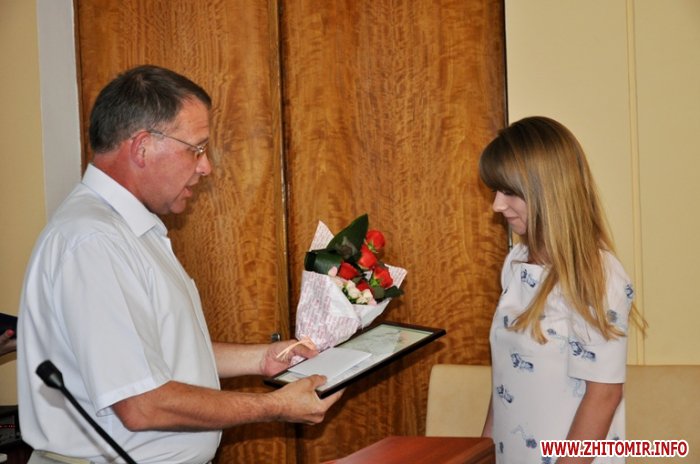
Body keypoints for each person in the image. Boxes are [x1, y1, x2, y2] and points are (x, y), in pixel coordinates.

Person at [17, 65, 342, 464]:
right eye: (196, 148)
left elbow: (161, 353)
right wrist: (273, 406)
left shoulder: (130, 230)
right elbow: (141, 405)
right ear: (142, 147)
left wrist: (263, 358)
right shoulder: (94, 241)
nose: (206, 167)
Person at [478, 116, 645, 464]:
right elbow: (505, 383)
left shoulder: (597, 276)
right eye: (496, 190)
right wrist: (481, 455)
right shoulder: (516, 262)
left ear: (548, 191)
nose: (497, 205)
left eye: (509, 192)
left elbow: (604, 396)